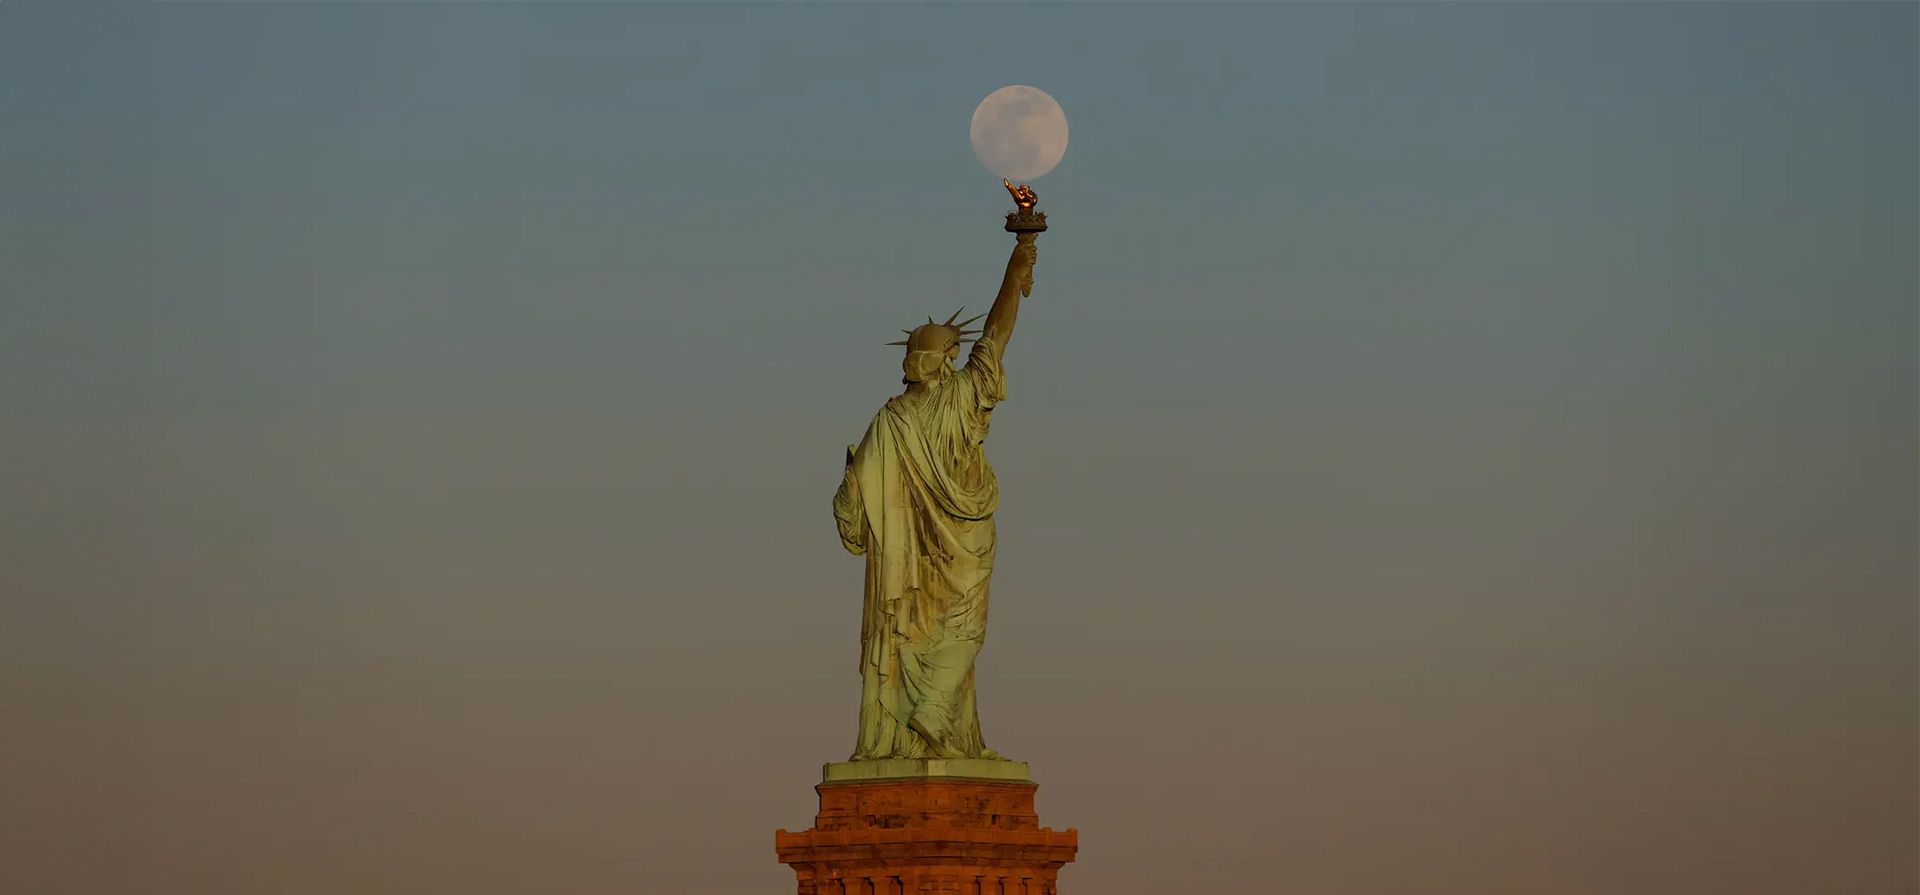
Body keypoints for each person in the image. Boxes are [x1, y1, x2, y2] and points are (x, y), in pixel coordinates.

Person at [831, 233, 1039, 761]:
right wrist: (1018, 263)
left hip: (908, 567)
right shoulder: (965, 397)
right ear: (946, 360)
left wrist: (852, 478)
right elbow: (997, 332)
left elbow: (852, 511)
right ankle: (933, 715)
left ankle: (929, 722)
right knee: (965, 630)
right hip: (965, 541)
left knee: (918, 636)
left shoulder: (888, 422)